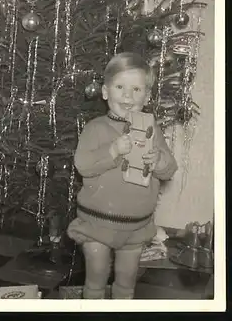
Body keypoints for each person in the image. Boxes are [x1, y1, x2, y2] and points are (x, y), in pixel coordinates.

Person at [67, 52, 178, 300]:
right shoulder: (94, 128)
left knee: (126, 284)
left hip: (136, 226)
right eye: (120, 87)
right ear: (105, 92)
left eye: (136, 89)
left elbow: (169, 169)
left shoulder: (152, 129)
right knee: (95, 279)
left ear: (147, 97)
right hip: (97, 223)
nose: (127, 96)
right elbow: (83, 165)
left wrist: (158, 160)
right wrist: (113, 150)